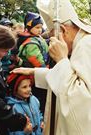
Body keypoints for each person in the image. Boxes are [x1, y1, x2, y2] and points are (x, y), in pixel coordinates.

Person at [11, 0, 91, 135]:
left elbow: (81, 101)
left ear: (63, 31)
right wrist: (34, 72)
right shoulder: (80, 43)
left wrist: (61, 59)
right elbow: (67, 78)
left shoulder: (86, 46)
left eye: (54, 37)